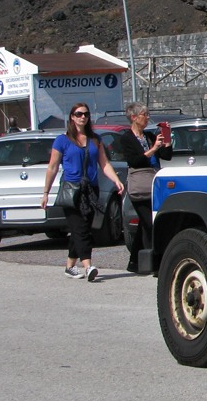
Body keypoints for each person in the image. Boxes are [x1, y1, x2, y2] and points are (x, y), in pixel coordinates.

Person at [41, 103, 125, 282]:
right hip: (72, 190)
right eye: (79, 114)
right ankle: (88, 267)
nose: (82, 117)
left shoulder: (95, 140)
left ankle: (70, 266)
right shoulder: (62, 140)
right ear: (72, 117)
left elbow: (104, 164)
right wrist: (46, 192)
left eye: (85, 114)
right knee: (80, 229)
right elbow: (53, 167)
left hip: (90, 190)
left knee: (83, 229)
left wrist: (116, 180)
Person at [118, 102, 173, 273]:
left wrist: (166, 139)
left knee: (144, 224)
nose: (148, 117)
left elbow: (166, 156)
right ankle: (154, 264)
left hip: (153, 183)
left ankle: (134, 262)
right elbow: (134, 161)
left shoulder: (148, 136)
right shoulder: (126, 138)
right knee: (150, 224)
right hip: (139, 186)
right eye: (144, 114)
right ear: (134, 117)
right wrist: (152, 150)